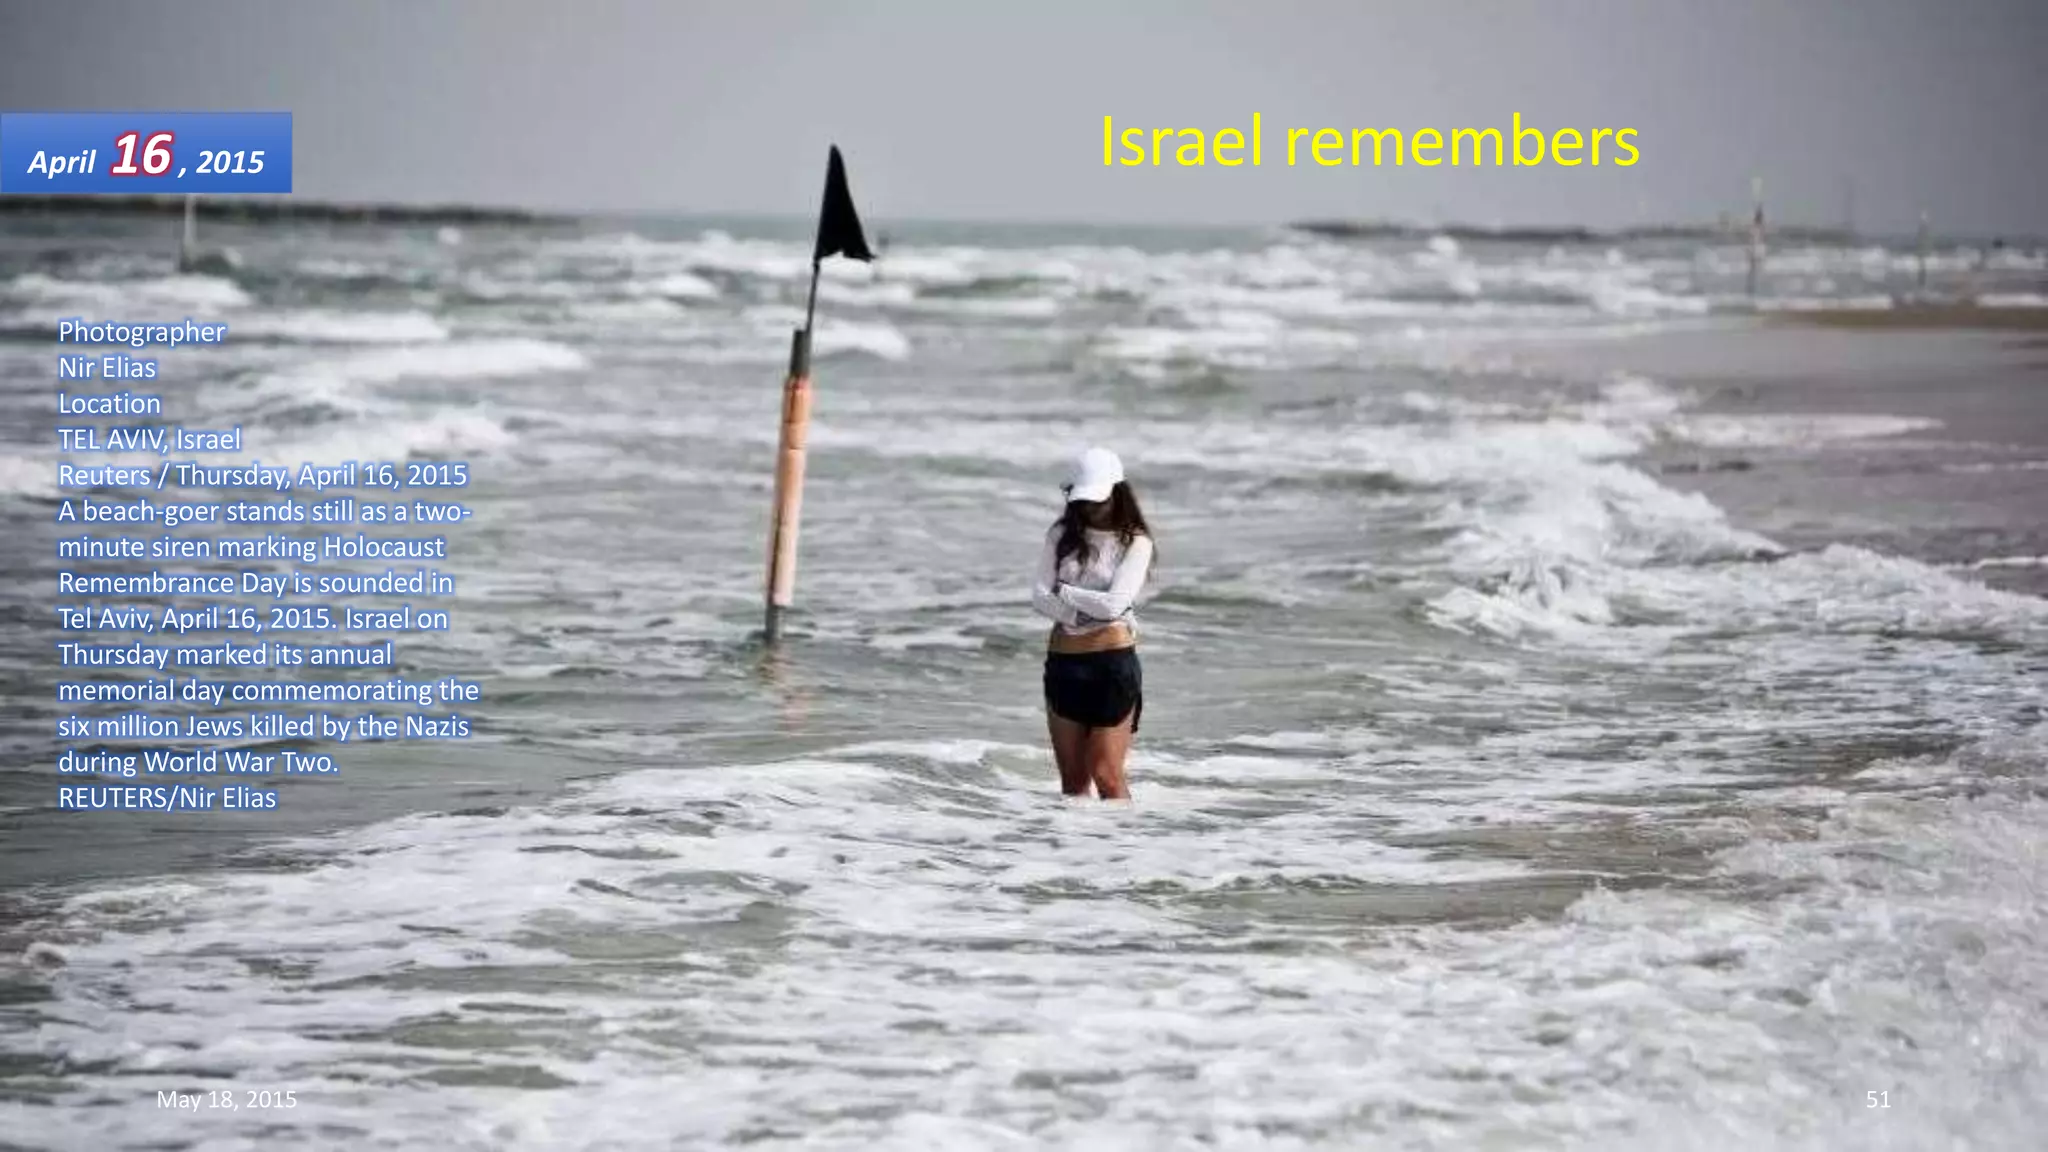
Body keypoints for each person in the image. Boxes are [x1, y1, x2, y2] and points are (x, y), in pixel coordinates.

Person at [1031, 447, 1155, 799]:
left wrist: (1066, 594)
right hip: (1063, 665)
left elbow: (1116, 604)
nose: (1090, 509)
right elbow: (1039, 596)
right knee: (1073, 783)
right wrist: (1080, 612)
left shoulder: (1136, 542)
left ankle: (1124, 851)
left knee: (1107, 775)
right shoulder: (1061, 534)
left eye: (1098, 501)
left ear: (1117, 492)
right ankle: (1080, 854)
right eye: (1083, 501)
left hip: (1111, 666)